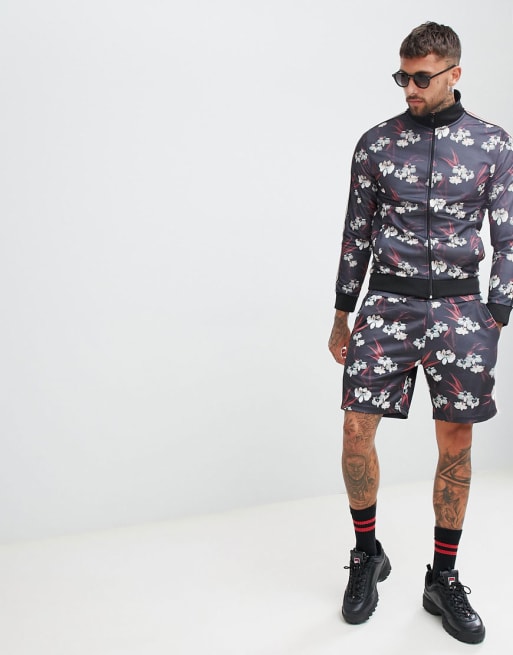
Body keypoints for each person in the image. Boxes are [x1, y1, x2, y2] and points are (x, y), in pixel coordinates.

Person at [328, 21, 513, 645]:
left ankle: (444, 576)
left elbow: (509, 234)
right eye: (403, 76)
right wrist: (342, 313)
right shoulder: (376, 145)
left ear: (454, 74)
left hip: (461, 311)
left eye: (422, 77)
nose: (410, 88)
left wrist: (497, 312)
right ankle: (366, 555)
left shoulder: (492, 144)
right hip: (387, 306)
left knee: (456, 441)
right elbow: (355, 233)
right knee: (356, 430)